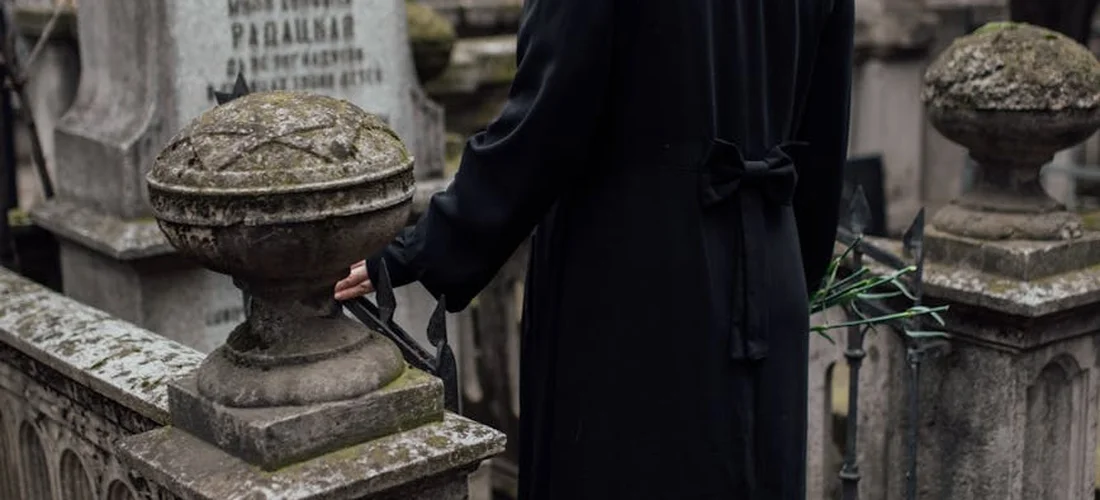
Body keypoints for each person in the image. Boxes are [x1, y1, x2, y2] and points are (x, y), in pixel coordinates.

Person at [336, 0, 853, 497]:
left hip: (635, 282)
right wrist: (785, 267)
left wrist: (415, 248)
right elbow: (823, 144)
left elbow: (545, 119)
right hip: (766, 269)